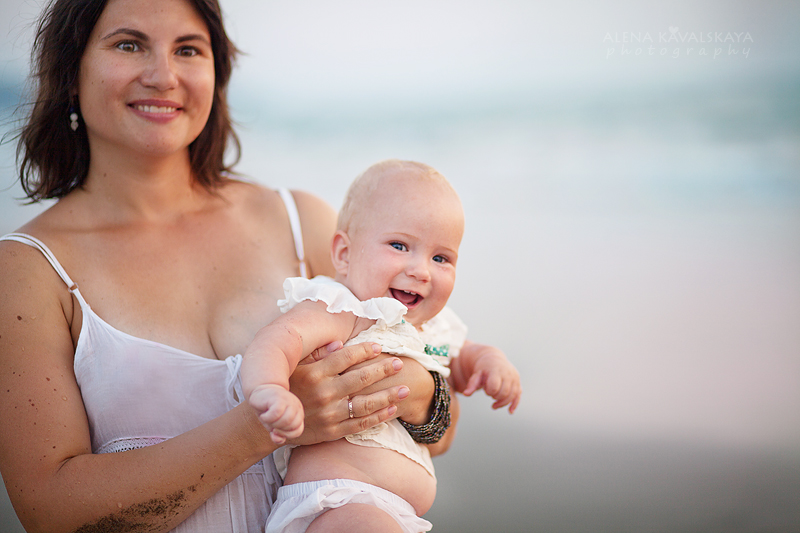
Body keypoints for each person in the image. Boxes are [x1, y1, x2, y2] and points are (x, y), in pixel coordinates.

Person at [0, 0, 464, 531]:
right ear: (71, 70)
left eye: (188, 50)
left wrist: (420, 390)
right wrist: (262, 429)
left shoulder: (302, 221)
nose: (163, 76)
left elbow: (442, 428)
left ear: (215, 73)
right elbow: (50, 511)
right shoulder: (27, 270)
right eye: (129, 44)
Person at [241, 160, 522, 533]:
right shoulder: (346, 309)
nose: (421, 270)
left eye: (440, 258)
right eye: (399, 245)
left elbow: (463, 356)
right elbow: (277, 340)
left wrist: (490, 362)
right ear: (344, 254)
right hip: (339, 500)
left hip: (394, 512)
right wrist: (270, 389)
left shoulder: (435, 327)